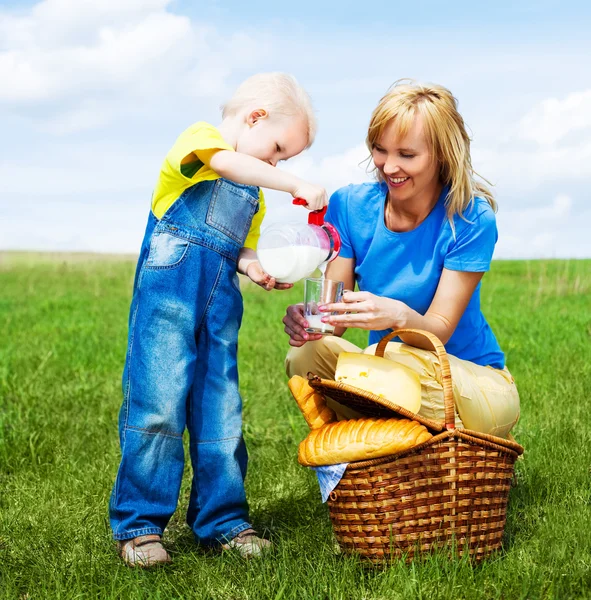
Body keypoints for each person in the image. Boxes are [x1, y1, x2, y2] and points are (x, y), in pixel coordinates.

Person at [110, 73, 328, 567]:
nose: (275, 163)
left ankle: (223, 521)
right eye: (276, 149)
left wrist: (257, 267)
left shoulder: (254, 194)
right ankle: (141, 525)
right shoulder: (201, 144)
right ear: (254, 118)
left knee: (221, 411)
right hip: (168, 301)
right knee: (158, 404)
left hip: (219, 309)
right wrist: (294, 182)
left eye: (284, 161)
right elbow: (229, 162)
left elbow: (241, 249)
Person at [283, 80, 520, 440]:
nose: (388, 166)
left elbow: (440, 329)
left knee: (397, 360)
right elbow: (334, 317)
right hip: (393, 375)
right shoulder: (349, 207)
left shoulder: (470, 220)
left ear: (441, 155)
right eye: (380, 150)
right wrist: (312, 321)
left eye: (406, 155)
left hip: (472, 386)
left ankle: (433, 441)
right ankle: (401, 445)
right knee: (306, 357)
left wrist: (397, 316)